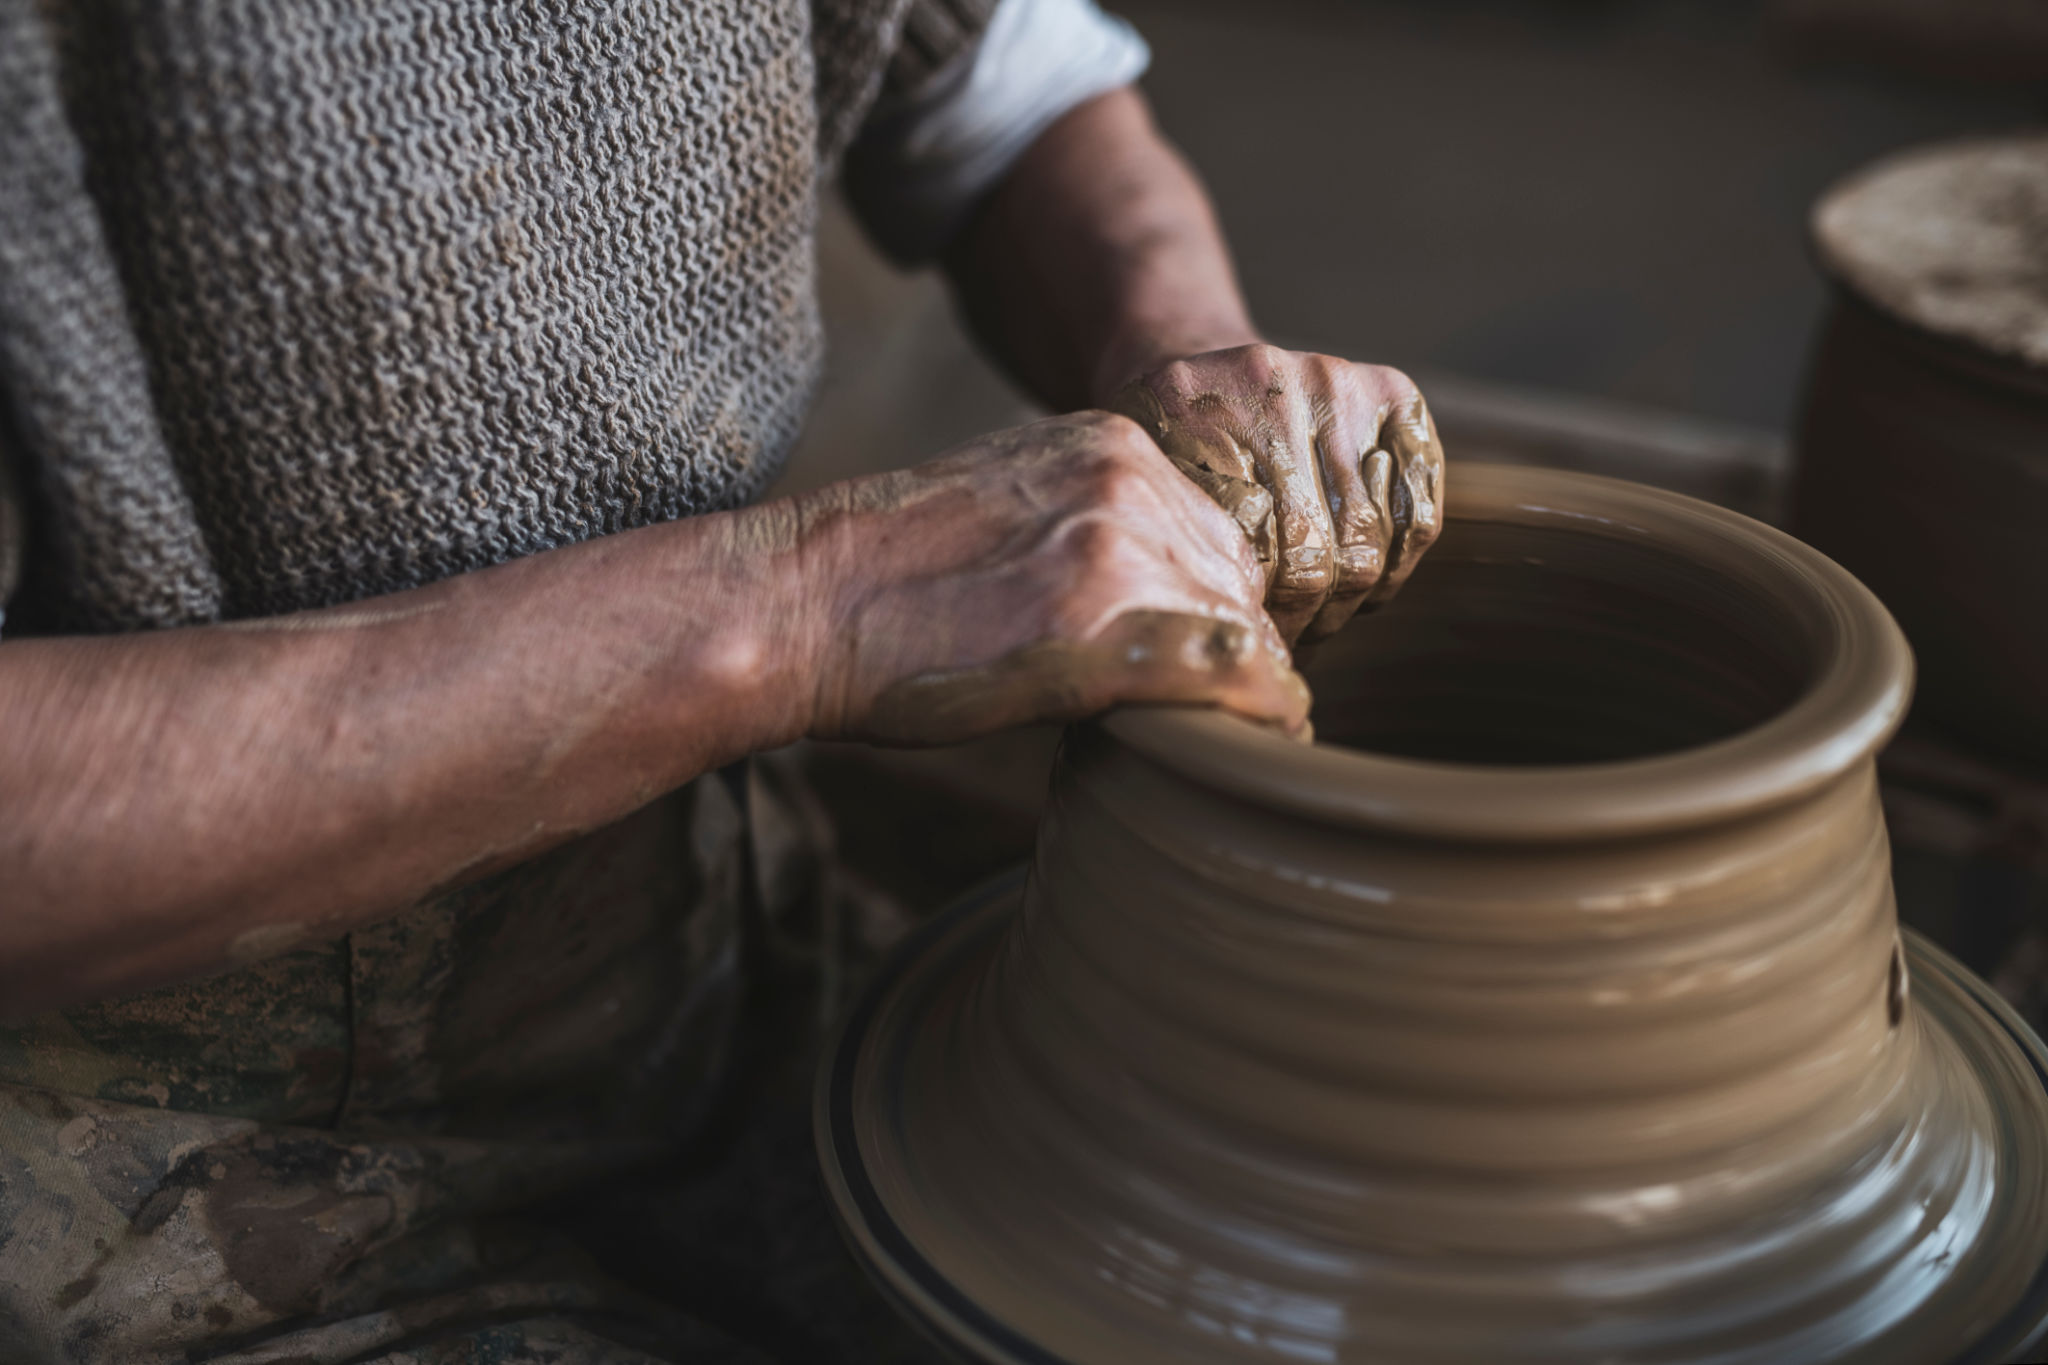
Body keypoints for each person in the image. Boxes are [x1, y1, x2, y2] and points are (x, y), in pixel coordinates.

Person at [0, 0, 1442, 1359]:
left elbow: (998, 88)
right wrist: (808, 604)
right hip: (119, 1177)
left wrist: (1177, 354)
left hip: (685, 922)